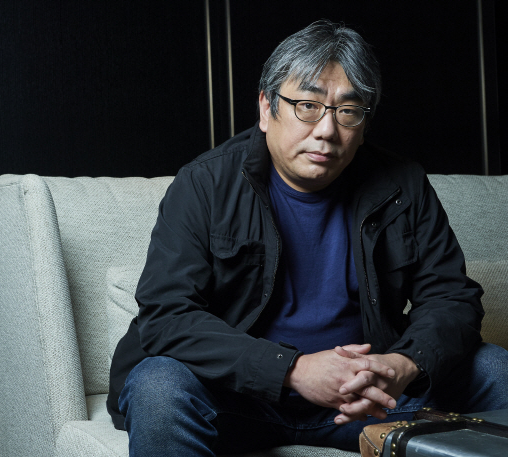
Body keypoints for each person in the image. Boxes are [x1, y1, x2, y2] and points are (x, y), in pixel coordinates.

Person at [107, 19, 508, 456]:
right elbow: (166, 315)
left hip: (367, 402)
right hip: (237, 400)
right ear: (266, 108)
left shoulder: (402, 185)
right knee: (158, 385)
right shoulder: (205, 184)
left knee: (495, 368)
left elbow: (451, 297)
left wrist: (402, 364)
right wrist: (292, 370)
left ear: (363, 124)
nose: (327, 130)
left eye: (348, 111)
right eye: (307, 105)